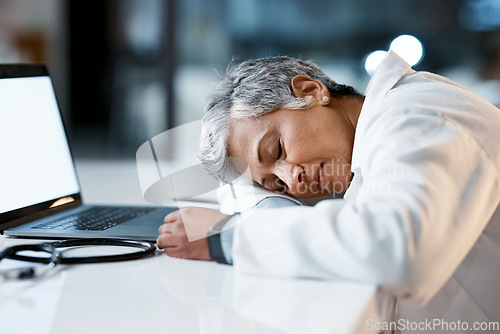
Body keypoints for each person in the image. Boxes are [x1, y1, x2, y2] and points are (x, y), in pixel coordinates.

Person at [156, 51, 500, 305]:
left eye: (276, 150)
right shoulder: (354, 156)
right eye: (276, 184)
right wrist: (267, 195)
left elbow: (397, 250)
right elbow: (236, 189)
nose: (293, 181)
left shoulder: (414, 117)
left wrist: (227, 237)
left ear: (309, 91)